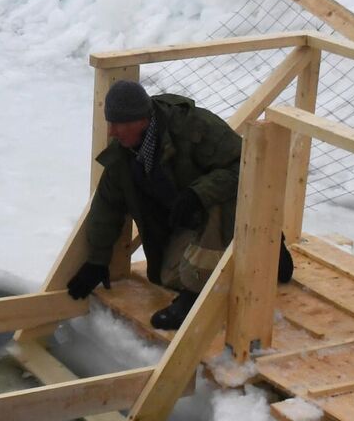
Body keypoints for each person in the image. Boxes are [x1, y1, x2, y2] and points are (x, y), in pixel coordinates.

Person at [67, 80, 291, 330]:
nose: (111, 132)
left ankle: (201, 293)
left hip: (223, 212)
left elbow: (247, 165)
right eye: (110, 123)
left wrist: (198, 194)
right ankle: (248, 257)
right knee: (169, 275)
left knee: (220, 198)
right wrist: (97, 260)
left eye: (118, 124)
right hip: (188, 224)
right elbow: (106, 206)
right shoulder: (124, 155)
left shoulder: (193, 126)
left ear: (141, 120)